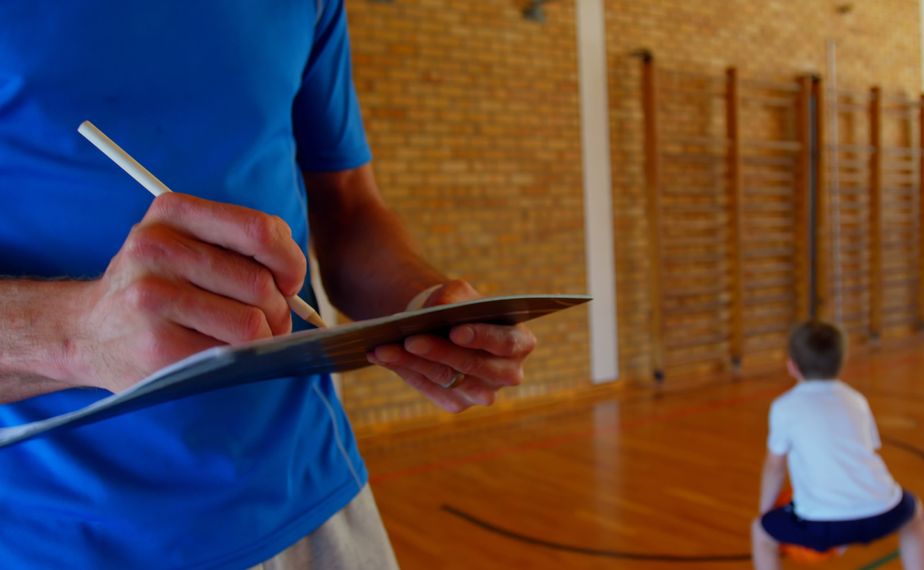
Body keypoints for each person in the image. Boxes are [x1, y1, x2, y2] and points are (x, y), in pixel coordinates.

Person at [0, 2, 535, 568]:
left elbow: (350, 211)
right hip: (51, 537)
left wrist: (424, 304)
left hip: (315, 501)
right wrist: (78, 335)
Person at [750, 321, 924, 570]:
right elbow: (863, 455)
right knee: (914, 515)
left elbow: (774, 467)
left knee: (761, 534)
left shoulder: (784, 407)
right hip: (882, 511)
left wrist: (765, 514)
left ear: (791, 366)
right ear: (842, 362)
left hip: (823, 525)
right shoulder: (856, 401)